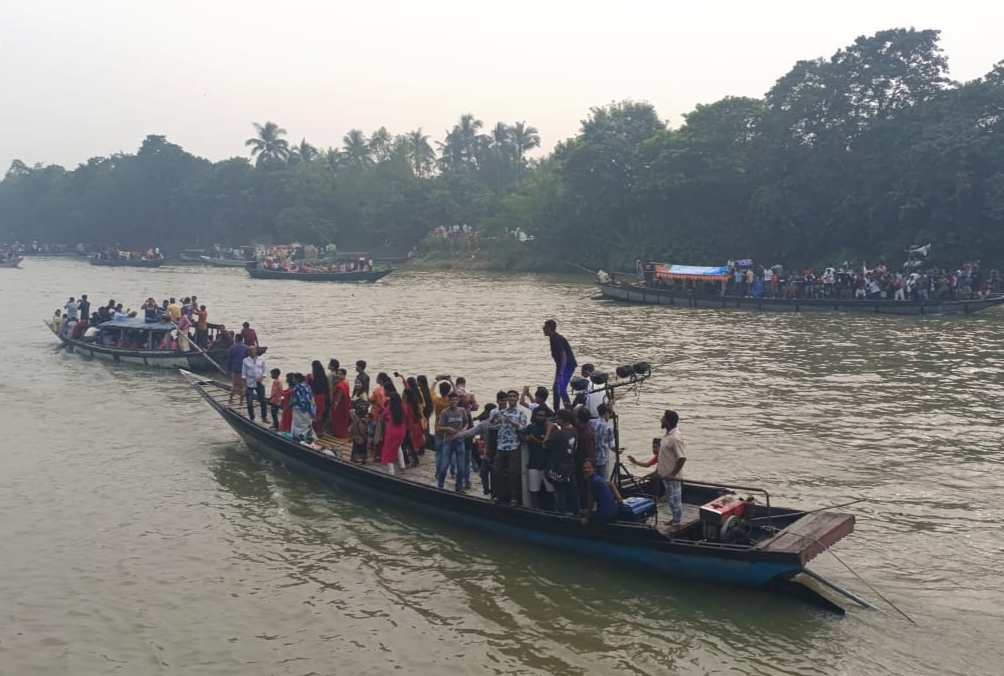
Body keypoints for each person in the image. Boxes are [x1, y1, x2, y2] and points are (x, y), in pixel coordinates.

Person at [629, 410, 687, 530]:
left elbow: (682, 458)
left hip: (672, 476)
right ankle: (675, 519)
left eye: (663, 418)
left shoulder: (675, 438)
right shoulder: (668, 436)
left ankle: (677, 523)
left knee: (675, 499)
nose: (661, 420)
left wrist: (673, 474)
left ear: (668, 421)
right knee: (671, 499)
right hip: (665, 475)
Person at [493, 389, 528, 506]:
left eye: (514, 396)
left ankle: (514, 498)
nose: (512, 398)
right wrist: (493, 420)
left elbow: (523, 427)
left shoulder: (521, 413)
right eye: (510, 396)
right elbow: (493, 426)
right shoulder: (502, 412)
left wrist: (511, 422)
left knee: (514, 473)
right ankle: (498, 496)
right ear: (507, 399)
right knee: (497, 471)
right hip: (501, 445)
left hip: (514, 446)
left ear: (517, 399)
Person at [543, 409, 579, 514]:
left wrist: (549, 430)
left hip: (559, 466)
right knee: (573, 489)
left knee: (560, 490)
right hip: (571, 464)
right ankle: (575, 511)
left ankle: (561, 512)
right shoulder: (574, 430)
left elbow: (545, 445)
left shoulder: (559, 434)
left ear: (563, 420)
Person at [435, 392, 469, 492]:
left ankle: (459, 487)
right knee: (443, 467)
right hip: (448, 441)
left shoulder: (462, 410)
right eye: (452, 400)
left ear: (458, 401)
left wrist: (464, 429)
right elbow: (439, 428)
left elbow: (466, 422)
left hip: (459, 441)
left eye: (455, 400)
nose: (453, 402)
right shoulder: (445, 412)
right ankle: (440, 486)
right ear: (449, 401)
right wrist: (448, 429)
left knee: (461, 467)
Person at [522, 405, 553, 509]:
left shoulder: (550, 429)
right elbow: (523, 437)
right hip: (534, 466)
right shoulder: (531, 427)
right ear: (535, 416)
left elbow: (547, 446)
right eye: (539, 415)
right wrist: (525, 438)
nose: (541, 418)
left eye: (543, 416)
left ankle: (551, 512)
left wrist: (534, 439)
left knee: (551, 492)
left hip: (547, 467)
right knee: (534, 492)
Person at [543, 319, 577, 411]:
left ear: (550, 328)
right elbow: (558, 361)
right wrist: (557, 376)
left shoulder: (557, 339)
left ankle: (570, 411)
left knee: (561, 390)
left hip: (568, 366)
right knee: (555, 389)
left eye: (545, 327)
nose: (543, 329)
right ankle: (556, 411)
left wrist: (561, 374)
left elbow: (564, 357)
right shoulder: (552, 339)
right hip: (561, 367)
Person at [581, 458, 623, 525]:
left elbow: (591, 502)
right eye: (584, 468)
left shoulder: (593, 482)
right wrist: (619, 497)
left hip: (604, 516)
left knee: (582, 514)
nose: (586, 470)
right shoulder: (599, 478)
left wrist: (587, 519)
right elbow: (611, 484)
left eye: (589, 468)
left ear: (594, 469)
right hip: (614, 512)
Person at [380, 389, 407, 475]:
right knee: (398, 446)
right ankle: (402, 465)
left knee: (388, 450)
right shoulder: (403, 407)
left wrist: (386, 420)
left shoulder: (390, 407)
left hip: (392, 432)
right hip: (402, 431)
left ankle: (391, 472)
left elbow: (383, 416)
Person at [242, 345, 268, 423]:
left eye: (253, 350)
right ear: (248, 352)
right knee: (249, 402)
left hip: (259, 383)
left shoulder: (261, 359)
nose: (252, 351)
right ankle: (252, 417)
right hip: (249, 383)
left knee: (263, 401)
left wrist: (262, 377)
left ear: (255, 351)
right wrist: (244, 385)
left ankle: (264, 417)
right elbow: (244, 373)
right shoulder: (245, 360)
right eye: (250, 350)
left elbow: (265, 370)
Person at [290, 373, 316, 442]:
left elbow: (294, 400)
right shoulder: (308, 386)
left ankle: (298, 439)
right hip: (309, 411)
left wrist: (287, 408)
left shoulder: (297, 387)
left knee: (298, 426)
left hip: (300, 411)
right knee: (306, 426)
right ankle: (307, 438)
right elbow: (311, 399)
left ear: (297, 379)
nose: (292, 380)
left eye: (293, 378)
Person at [226, 334, 248, 407]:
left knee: (234, 385)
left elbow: (229, 360)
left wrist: (228, 369)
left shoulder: (232, 348)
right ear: (242, 339)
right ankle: (241, 402)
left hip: (235, 369)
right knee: (243, 386)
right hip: (244, 370)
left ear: (236, 339)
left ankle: (230, 399)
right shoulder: (246, 348)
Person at [331, 367, 351, 438]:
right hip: (343, 404)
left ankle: (338, 433)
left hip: (340, 405)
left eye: (340, 374)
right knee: (341, 419)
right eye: (338, 374)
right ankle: (340, 433)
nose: (338, 376)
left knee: (338, 419)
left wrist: (336, 403)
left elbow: (340, 394)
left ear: (344, 375)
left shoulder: (341, 384)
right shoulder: (345, 382)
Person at [268, 368, 284, 432]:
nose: (271, 375)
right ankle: (275, 424)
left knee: (274, 413)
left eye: (272, 374)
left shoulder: (278, 382)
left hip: (276, 400)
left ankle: (277, 426)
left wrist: (270, 397)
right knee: (273, 412)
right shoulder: (275, 381)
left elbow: (277, 392)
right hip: (274, 400)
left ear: (275, 374)